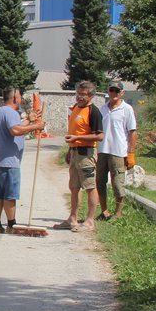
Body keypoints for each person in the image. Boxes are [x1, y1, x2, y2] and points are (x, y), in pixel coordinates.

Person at [0, 86, 45, 234]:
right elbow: (15, 130)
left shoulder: (1, 112)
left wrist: (29, 121)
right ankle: (12, 224)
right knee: (10, 194)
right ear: (15, 98)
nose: (20, 99)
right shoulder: (11, 112)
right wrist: (35, 126)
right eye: (19, 96)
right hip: (8, 161)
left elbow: (16, 127)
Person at [55, 80, 104, 232]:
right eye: (78, 93)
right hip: (75, 152)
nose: (79, 97)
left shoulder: (93, 112)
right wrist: (70, 150)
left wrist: (78, 139)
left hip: (86, 153)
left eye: (83, 94)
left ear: (90, 96)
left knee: (90, 186)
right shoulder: (76, 108)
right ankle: (72, 218)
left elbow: (100, 136)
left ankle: (90, 221)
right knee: (74, 187)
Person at [96, 80, 137, 221]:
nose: (114, 93)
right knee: (100, 182)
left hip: (118, 152)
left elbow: (132, 132)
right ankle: (104, 211)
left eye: (117, 91)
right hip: (102, 151)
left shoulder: (127, 109)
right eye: (111, 90)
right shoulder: (103, 109)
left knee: (117, 182)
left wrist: (131, 153)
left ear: (122, 93)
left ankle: (118, 213)